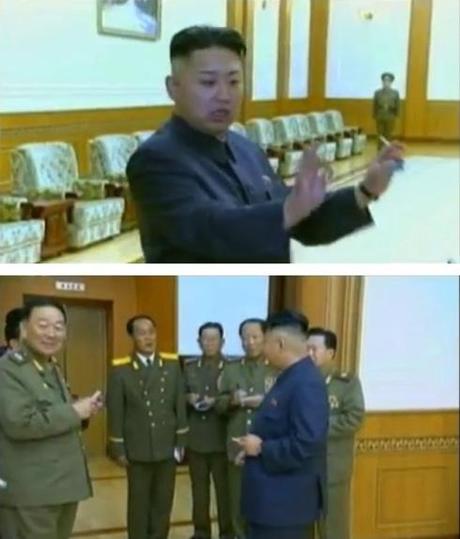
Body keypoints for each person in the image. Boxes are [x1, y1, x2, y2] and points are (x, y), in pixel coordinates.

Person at [127, 25, 404, 263]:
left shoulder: (246, 149)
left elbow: (302, 223)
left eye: (234, 81)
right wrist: (291, 208)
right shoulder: (155, 160)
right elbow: (212, 228)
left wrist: (366, 189)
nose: (224, 95)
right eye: (208, 82)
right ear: (173, 87)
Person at [0, 298, 103, 539]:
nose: (51, 333)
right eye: (43, 325)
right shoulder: (8, 369)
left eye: (58, 327)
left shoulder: (49, 366)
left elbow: (52, 413)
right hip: (32, 493)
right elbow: (20, 423)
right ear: (25, 329)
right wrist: (75, 411)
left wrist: (82, 409)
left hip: (59, 488)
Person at [235, 310, 329, 539]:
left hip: (285, 508)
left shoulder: (306, 382)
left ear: (280, 343)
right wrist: (250, 451)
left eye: (265, 342)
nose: (262, 349)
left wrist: (261, 449)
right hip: (273, 504)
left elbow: (307, 443)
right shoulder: (290, 376)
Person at [106, 315, 188, 539]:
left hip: (166, 445)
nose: (148, 337)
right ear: (132, 337)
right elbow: (115, 411)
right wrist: (118, 447)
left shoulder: (171, 365)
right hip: (138, 447)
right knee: (139, 505)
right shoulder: (121, 369)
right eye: (141, 332)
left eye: (151, 331)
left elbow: (179, 403)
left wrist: (181, 440)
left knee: (163, 503)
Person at [216, 318, 278, 539]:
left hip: (267, 449)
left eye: (255, 337)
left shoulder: (277, 369)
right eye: (244, 338)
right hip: (237, 446)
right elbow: (219, 405)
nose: (249, 343)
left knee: (265, 506)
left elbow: (289, 406)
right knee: (238, 505)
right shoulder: (231, 369)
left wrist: (266, 401)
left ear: (265, 338)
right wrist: (234, 400)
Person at [307, 327, 365, 539]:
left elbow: (354, 418)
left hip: (332, 467)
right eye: (306, 349)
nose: (309, 353)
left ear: (330, 353)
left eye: (315, 349)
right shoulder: (298, 380)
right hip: (302, 466)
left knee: (332, 528)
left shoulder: (345, 383)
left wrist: (318, 425)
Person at [183, 322, 232, 539]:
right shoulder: (189, 366)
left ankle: (227, 533)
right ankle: (201, 532)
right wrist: (188, 398)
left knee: (224, 492)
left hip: (222, 438)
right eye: (205, 339)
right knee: (199, 491)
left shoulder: (232, 367)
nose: (209, 343)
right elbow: (179, 394)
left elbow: (235, 397)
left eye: (214, 339)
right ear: (198, 341)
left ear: (222, 342)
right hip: (197, 439)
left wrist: (217, 401)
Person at [373, 72, 400, 150]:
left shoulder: (395, 93)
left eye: (388, 81)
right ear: (382, 81)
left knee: (388, 134)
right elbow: (375, 105)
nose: (386, 82)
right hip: (380, 115)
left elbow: (397, 105)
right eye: (384, 80)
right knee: (380, 134)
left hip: (390, 115)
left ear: (391, 82)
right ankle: (379, 149)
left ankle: (387, 150)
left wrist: (396, 115)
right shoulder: (377, 93)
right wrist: (374, 115)